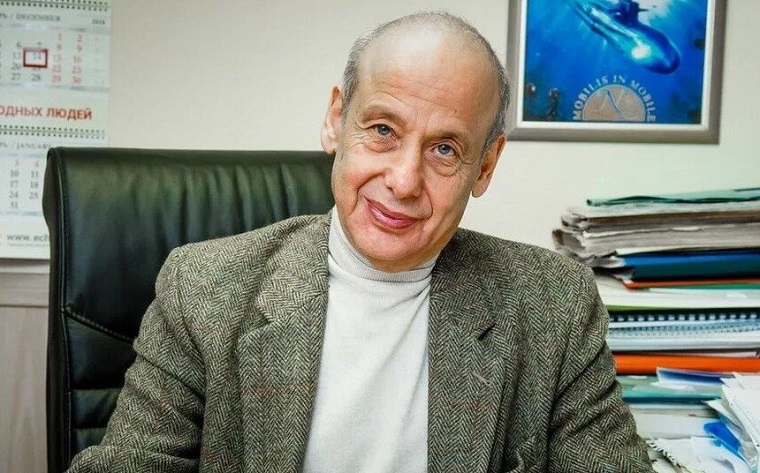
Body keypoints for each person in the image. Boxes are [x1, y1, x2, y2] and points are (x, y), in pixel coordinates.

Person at [66, 11, 653, 473]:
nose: (404, 180)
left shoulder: (554, 305)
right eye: (383, 130)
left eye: (444, 149)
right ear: (335, 120)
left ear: (485, 165)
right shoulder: (203, 290)